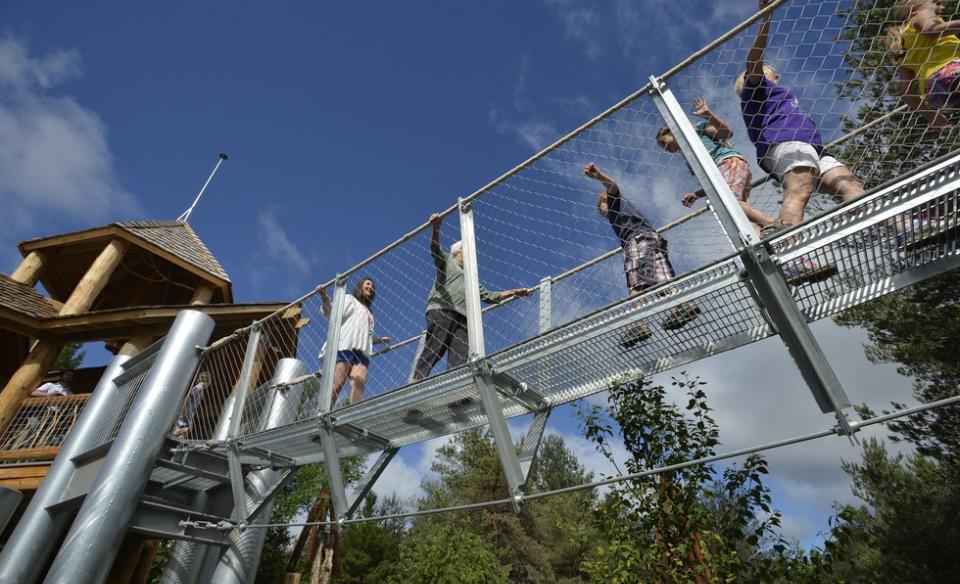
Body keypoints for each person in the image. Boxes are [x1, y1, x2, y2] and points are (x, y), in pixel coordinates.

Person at [738, 0, 865, 282]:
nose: (776, 75)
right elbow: (753, 62)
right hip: (787, 141)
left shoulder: (777, 94)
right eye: (773, 73)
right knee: (800, 190)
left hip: (815, 148)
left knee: (849, 184)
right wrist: (766, 17)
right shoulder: (755, 88)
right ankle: (787, 256)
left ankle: (903, 226)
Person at [584, 163, 701, 346]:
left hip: (637, 240)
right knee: (656, 278)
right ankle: (681, 306)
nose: (603, 213)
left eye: (602, 208)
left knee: (637, 284)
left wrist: (598, 176)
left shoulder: (616, 203)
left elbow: (613, 186)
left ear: (606, 201)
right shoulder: (622, 211)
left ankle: (642, 323)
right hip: (648, 239)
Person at [411, 213, 531, 381]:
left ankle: (455, 387)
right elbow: (435, 249)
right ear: (458, 252)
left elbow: (489, 296)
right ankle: (416, 380)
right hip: (442, 310)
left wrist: (514, 292)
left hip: (463, 318)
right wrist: (436, 228)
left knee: (460, 355)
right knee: (435, 347)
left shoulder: (472, 277)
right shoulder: (447, 261)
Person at [656, 96, 776, 236]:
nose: (665, 148)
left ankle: (773, 224)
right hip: (721, 174)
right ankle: (761, 237)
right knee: (736, 214)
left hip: (728, 163)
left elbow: (727, 132)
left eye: (664, 142)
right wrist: (696, 194)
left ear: (671, 132)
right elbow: (710, 183)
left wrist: (708, 115)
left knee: (733, 204)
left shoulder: (696, 130)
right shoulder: (690, 160)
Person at [317, 277, 392, 406]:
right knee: (337, 384)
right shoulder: (350, 299)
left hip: (361, 352)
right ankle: (323, 414)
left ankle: (356, 417)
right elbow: (331, 311)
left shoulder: (369, 314)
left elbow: (365, 336)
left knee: (358, 385)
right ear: (360, 286)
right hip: (345, 346)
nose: (371, 287)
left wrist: (378, 340)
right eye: (368, 284)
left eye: (373, 286)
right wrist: (324, 295)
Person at [887, 0, 960, 131]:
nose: (942, 7)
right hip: (950, 71)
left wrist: (930, 116)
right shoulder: (918, 17)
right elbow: (932, 30)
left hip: (934, 93)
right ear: (914, 10)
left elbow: (905, 90)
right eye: (936, 3)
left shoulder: (905, 46)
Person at [172, 371, 209, 439]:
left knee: (183, 432)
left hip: (188, 413)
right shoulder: (199, 387)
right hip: (186, 414)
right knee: (184, 431)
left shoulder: (199, 388)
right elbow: (189, 398)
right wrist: (182, 414)